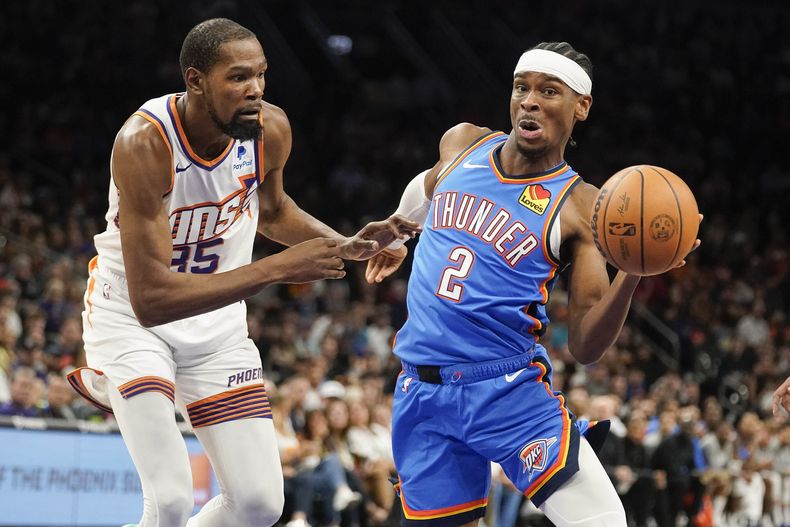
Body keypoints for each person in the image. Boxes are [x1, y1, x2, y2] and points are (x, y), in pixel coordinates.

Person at [65, 18, 417, 527]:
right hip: (133, 320)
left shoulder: (270, 129)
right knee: (166, 502)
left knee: (259, 505)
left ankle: (123, 387)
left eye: (261, 74)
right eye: (237, 78)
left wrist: (348, 246)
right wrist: (276, 268)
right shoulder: (145, 143)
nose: (255, 90)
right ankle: (118, 377)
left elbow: (271, 212)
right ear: (195, 81)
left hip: (217, 329)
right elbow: (152, 299)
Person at [365, 42, 701, 527]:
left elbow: (586, 346)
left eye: (549, 91)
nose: (530, 100)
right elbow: (429, 183)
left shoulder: (584, 207)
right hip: (421, 392)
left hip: (505, 391)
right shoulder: (463, 143)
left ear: (581, 106)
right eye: (522, 88)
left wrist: (633, 271)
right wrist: (400, 228)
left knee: (603, 522)